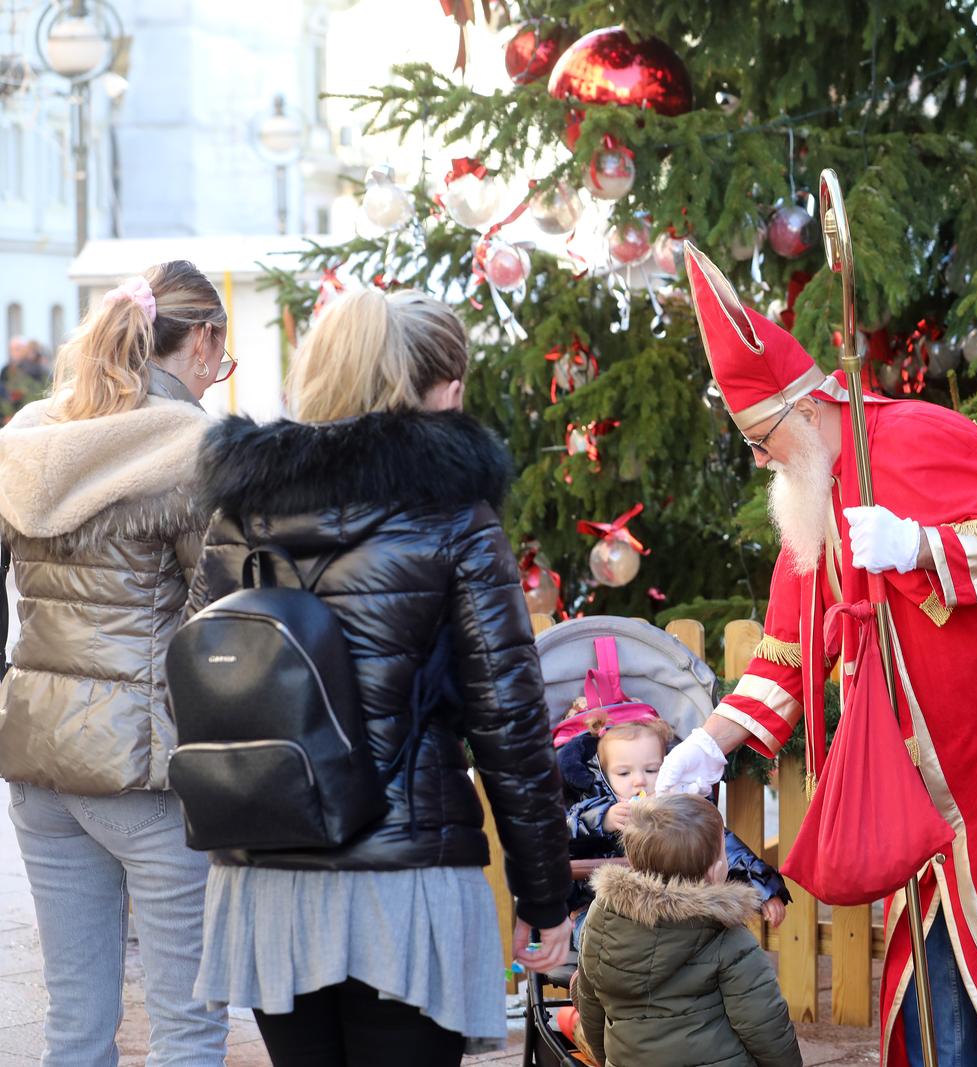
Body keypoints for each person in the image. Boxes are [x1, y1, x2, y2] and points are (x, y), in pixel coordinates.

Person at [655, 245, 977, 1066]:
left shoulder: (919, 434)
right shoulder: (811, 504)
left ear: (810, 405)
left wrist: (918, 545)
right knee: (942, 951)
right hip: (934, 783)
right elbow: (787, 654)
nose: (759, 459)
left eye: (762, 437)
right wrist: (708, 743)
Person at [186, 289, 572, 1065]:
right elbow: (510, 721)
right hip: (405, 873)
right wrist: (545, 894)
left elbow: (197, 682)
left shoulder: (237, 512)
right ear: (418, 385)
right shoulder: (454, 517)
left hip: (266, 869)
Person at [0, 264, 232, 1065]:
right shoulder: (194, 448)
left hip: (37, 759)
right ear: (202, 339)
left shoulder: (29, 438)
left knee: (74, 1023)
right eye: (220, 356)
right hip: (150, 765)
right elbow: (221, 624)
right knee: (188, 1023)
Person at [575, 793, 802, 1067]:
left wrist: (606, 1059)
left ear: (633, 862)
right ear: (715, 871)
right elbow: (763, 1023)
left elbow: (590, 1005)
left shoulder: (601, 920)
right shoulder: (727, 936)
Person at [563, 716, 789, 933]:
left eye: (651, 770)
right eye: (624, 773)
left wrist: (764, 888)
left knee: (710, 934)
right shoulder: (593, 805)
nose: (639, 780)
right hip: (603, 906)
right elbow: (564, 833)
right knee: (594, 935)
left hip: (673, 906)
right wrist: (602, 819)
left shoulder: (674, 808)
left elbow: (721, 844)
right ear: (604, 775)